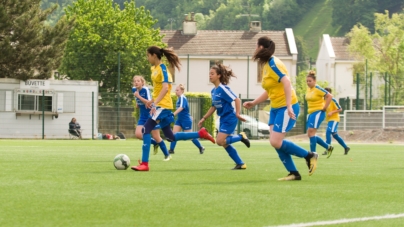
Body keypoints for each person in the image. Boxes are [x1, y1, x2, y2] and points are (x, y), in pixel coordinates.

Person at [243, 36, 318, 181]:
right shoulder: (266, 65)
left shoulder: (273, 63)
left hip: (285, 107)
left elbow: (287, 82)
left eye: (256, 46)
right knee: (275, 142)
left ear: (261, 48)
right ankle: (294, 173)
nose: (254, 49)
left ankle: (309, 156)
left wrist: (289, 106)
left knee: (275, 141)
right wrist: (254, 102)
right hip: (276, 108)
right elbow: (270, 90)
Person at [131, 46, 215, 171]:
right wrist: (151, 101)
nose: (147, 58)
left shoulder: (163, 68)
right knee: (171, 137)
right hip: (159, 105)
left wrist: (155, 104)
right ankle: (200, 133)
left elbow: (165, 88)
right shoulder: (153, 69)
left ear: (154, 55)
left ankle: (145, 164)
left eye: (148, 55)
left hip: (163, 106)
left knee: (145, 130)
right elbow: (158, 90)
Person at [198, 63, 250, 170]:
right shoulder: (213, 91)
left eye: (212, 74)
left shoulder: (223, 88)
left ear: (219, 75)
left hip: (229, 118)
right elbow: (214, 107)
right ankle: (240, 163)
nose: (210, 76)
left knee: (219, 141)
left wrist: (237, 113)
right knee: (224, 144)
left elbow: (237, 99)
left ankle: (241, 136)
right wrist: (204, 118)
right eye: (209, 74)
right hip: (223, 119)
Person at [132, 75, 171, 161]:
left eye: (138, 81)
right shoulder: (134, 90)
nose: (136, 82)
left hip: (151, 115)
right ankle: (154, 143)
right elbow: (139, 102)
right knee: (138, 134)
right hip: (143, 116)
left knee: (156, 137)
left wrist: (139, 97)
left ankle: (167, 155)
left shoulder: (145, 90)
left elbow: (150, 103)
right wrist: (138, 103)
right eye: (135, 81)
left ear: (142, 82)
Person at [169, 84, 205, 154]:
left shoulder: (182, 97)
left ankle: (201, 147)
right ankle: (171, 150)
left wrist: (173, 114)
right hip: (179, 120)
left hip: (185, 120)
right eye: (175, 90)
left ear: (182, 91)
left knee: (190, 136)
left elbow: (182, 107)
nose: (175, 91)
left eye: (177, 90)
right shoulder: (179, 99)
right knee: (174, 134)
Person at [305, 71, 334, 156]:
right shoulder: (309, 89)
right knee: (310, 134)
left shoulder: (317, 88)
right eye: (307, 81)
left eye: (310, 81)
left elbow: (330, 96)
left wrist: (325, 107)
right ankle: (328, 148)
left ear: (315, 81)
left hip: (318, 112)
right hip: (311, 113)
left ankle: (313, 154)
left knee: (311, 132)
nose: (308, 83)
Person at [322, 87, 350, 156]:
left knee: (328, 131)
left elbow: (340, 109)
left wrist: (332, 112)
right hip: (329, 120)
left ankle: (328, 149)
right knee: (335, 135)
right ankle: (346, 147)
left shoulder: (333, 100)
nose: (325, 94)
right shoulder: (324, 101)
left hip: (334, 119)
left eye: (327, 92)